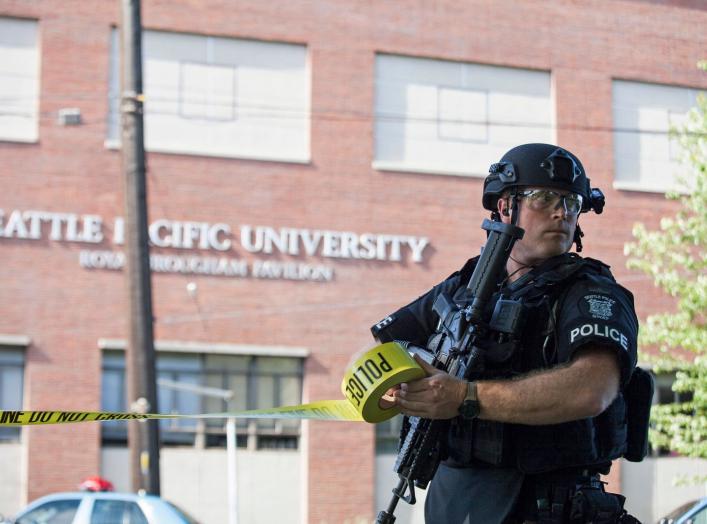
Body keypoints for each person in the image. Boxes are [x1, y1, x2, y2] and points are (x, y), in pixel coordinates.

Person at [372, 143, 645, 523]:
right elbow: (383, 344)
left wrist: (465, 397)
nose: (560, 211)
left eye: (571, 202)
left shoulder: (591, 291)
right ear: (505, 206)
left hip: (547, 506)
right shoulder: (465, 286)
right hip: (454, 497)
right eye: (545, 197)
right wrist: (393, 384)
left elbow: (591, 389)